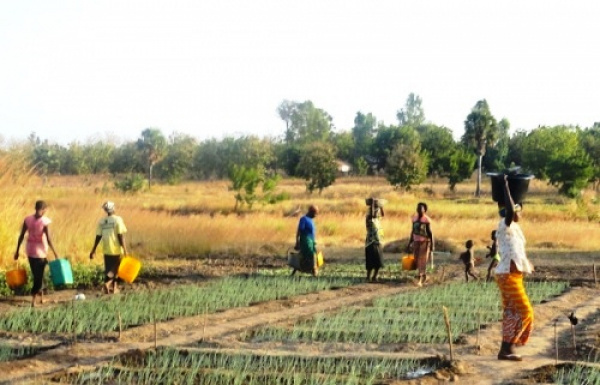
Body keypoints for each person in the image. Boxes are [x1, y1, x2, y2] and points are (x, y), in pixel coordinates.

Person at [495, 175, 534, 361]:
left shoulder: (515, 229)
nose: (521, 213)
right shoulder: (504, 224)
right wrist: (505, 185)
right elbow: (510, 211)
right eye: (519, 210)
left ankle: (505, 350)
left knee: (511, 313)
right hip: (507, 275)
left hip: (514, 275)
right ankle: (510, 346)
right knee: (526, 312)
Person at [14, 200, 59, 307]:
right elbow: (49, 239)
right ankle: (34, 301)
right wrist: (56, 253)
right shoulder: (45, 221)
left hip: (30, 250)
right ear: (43, 210)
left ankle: (42, 298)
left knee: (38, 274)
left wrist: (17, 251)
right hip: (40, 252)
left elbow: (21, 236)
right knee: (38, 277)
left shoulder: (27, 219)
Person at [89, 201, 128, 294]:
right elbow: (120, 235)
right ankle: (107, 284)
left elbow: (98, 236)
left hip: (106, 249)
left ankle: (114, 289)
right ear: (113, 208)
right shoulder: (118, 220)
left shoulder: (102, 222)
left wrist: (93, 250)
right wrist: (125, 250)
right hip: (116, 249)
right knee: (117, 269)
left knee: (110, 269)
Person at [407, 202, 434, 287]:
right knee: (416, 258)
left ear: (424, 210)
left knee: (422, 259)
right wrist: (410, 242)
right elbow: (413, 231)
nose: (419, 210)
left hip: (424, 242)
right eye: (418, 208)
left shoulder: (426, 220)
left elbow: (430, 233)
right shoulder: (414, 219)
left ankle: (420, 277)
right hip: (416, 241)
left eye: (421, 208)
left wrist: (433, 244)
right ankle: (424, 275)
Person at [291, 205, 319, 277]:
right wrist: (297, 241)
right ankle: (314, 271)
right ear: (310, 212)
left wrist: (313, 241)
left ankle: (295, 272)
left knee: (307, 256)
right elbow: (299, 231)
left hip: (311, 241)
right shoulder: (304, 219)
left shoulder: (310, 220)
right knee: (312, 255)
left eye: (316, 213)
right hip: (305, 240)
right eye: (314, 213)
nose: (316, 215)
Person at [365, 198, 385, 282]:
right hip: (370, 242)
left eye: (378, 211)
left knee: (378, 260)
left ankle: (374, 277)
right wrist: (373, 204)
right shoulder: (369, 217)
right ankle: (368, 277)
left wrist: (381, 206)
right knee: (370, 260)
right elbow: (373, 215)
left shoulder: (377, 219)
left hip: (378, 241)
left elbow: (383, 215)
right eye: (376, 211)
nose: (378, 213)